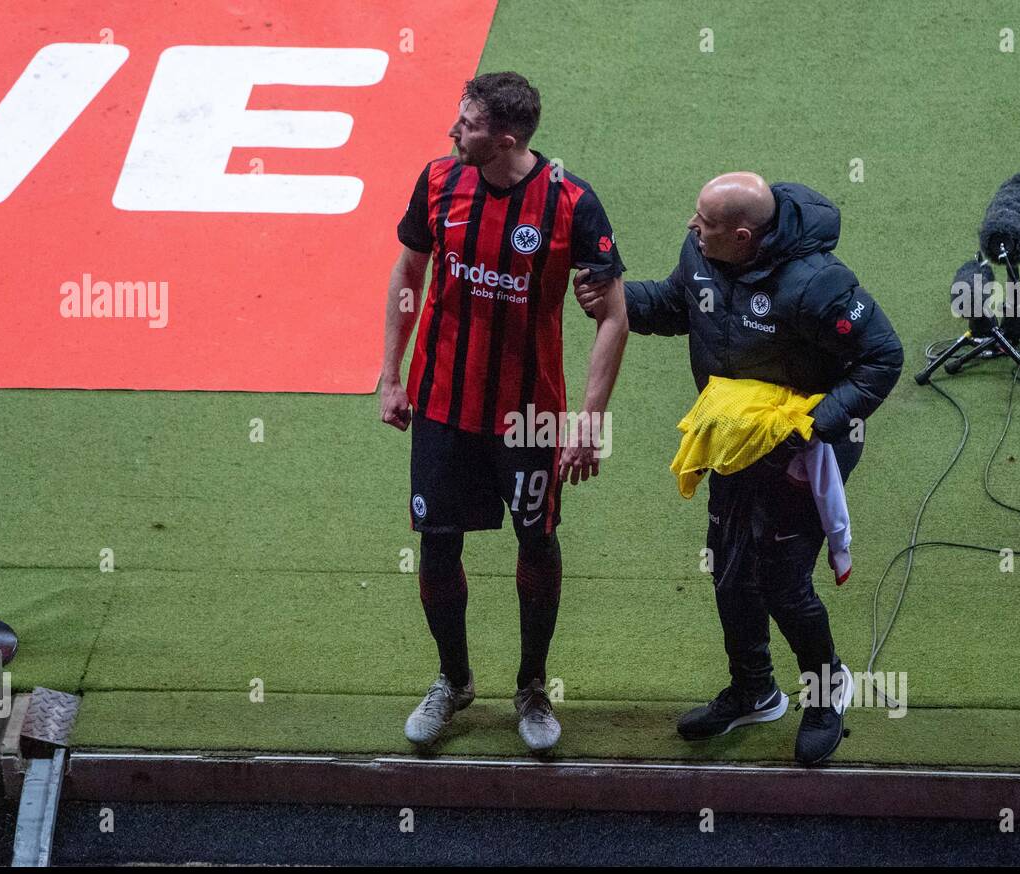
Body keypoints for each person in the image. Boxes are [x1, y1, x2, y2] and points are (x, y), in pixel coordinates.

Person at [575, 172, 903, 764]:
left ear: (745, 235)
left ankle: (828, 692)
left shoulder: (819, 283)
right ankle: (755, 691)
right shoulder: (702, 253)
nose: (691, 228)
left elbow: (882, 357)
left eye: (705, 223)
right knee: (729, 568)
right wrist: (617, 299)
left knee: (783, 582)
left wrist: (813, 424)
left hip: (803, 448)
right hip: (733, 441)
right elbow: (679, 305)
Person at [381, 72, 629, 753]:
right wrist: (390, 375)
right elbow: (408, 274)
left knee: (537, 540)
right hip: (441, 403)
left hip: (531, 416)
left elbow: (614, 316)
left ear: (507, 139)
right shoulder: (438, 182)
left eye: (467, 124)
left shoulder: (571, 203)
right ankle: (454, 681)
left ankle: (531, 687)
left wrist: (588, 418)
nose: (453, 131)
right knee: (437, 541)